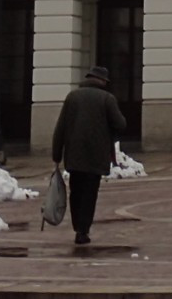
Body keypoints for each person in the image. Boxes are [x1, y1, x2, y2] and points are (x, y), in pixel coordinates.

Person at [50, 64, 127, 247]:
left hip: (74, 155)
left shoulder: (72, 97)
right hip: (96, 155)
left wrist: (56, 154)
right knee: (90, 194)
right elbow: (121, 124)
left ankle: (78, 226)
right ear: (102, 81)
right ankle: (83, 230)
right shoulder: (107, 98)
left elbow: (60, 127)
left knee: (75, 192)